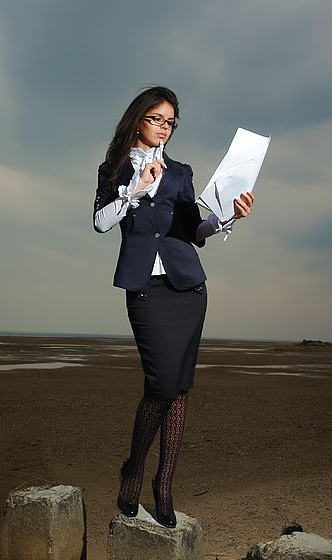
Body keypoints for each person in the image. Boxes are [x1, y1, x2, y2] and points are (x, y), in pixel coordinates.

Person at [92, 86, 253, 528]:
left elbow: (190, 229)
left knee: (179, 389)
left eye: (171, 121)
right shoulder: (114, 169)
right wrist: (135, 189)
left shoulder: (181, 173)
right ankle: (132, 470)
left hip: (188, 287)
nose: (165, 127)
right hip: (145, 289)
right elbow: (100, 222)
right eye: (158, 118)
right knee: (161, 386)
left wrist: (228, 217)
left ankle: (163, 484)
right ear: (138, 119)